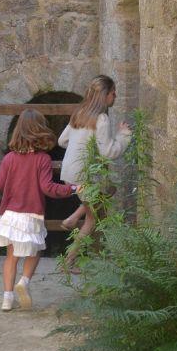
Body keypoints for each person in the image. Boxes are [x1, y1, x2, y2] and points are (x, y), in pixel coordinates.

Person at [0, 109, 80, 311]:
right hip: (32, 215)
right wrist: (73, 188)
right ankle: (24, 282)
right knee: (36, 251)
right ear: (41, 131)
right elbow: (49, 189)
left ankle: (7, 298)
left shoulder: (9, 159)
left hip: (11, 216)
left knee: (11, 257)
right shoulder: (43, 160)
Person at [58, 75, 132, 272]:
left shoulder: (79, 113)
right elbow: (108, 151)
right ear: (105, 95)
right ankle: (68, 262)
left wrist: (79, 146)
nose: (115, 96)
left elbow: (62, 141)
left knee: (108, 190)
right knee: (92, 219)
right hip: (84, 175)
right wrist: (124, 135)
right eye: (113, 93)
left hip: (69, 173)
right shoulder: (101, 118)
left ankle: (72, 218)